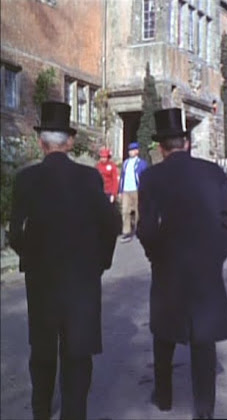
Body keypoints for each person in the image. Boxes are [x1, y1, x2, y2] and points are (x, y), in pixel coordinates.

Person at [9, 101, 121, 420]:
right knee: (77, 355)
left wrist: (30, 257)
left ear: (41, 142)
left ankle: (41, 412)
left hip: (42, 282)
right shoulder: (89, 178)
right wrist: (101, 262)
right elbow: (111, 224)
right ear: (69, 142)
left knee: (42, 353)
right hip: (82, 281)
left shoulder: (26, 179)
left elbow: (15, 233)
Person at [136, 108, 227, 419]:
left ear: (161, 147)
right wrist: (216, 254)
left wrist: (155, 254)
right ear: (187, 143)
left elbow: (147, 228)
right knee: (203, 338)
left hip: (167, 265)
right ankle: (204, 409)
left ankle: (164, 397)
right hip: (205, 266)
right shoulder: (212, 172)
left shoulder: (151, 177)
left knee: (164, 332)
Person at [118, 141, 148, 242]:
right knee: (125, 211)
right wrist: (120, 190)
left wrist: (143, 189)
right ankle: (126, 231)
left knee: (138, 211)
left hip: (136, 189)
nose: (130, 152)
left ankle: (138, 229)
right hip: (126, 190)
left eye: (133, 150)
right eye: (129, 150)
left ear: (137, 151)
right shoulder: (126, 163)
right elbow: (122, 177)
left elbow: (144, 177)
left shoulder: (141, 163)